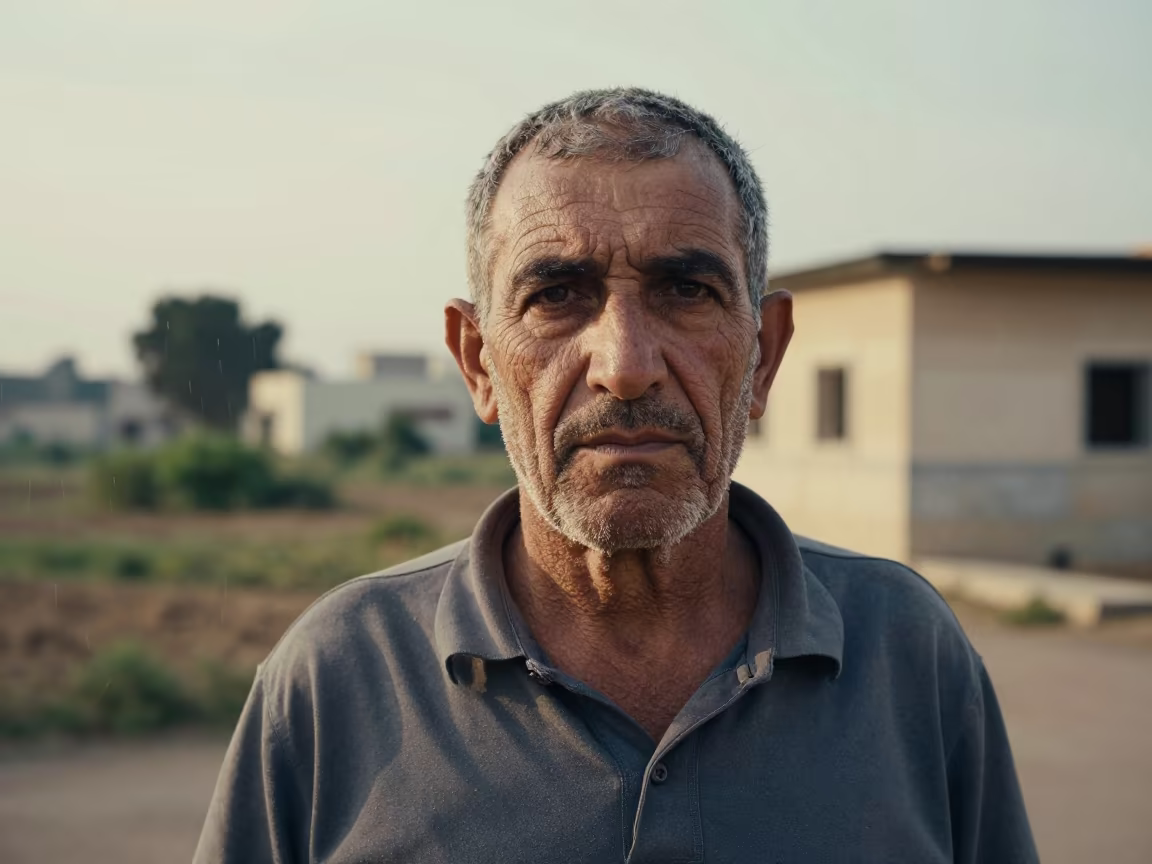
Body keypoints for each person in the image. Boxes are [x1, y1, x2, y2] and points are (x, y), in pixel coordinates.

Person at [195, 88, 1038, 863]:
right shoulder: (336, 675)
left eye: (686, 289)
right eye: (558, 294)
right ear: (478, 362)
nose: (625, 365)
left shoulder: (908, 653)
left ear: (764, 356)